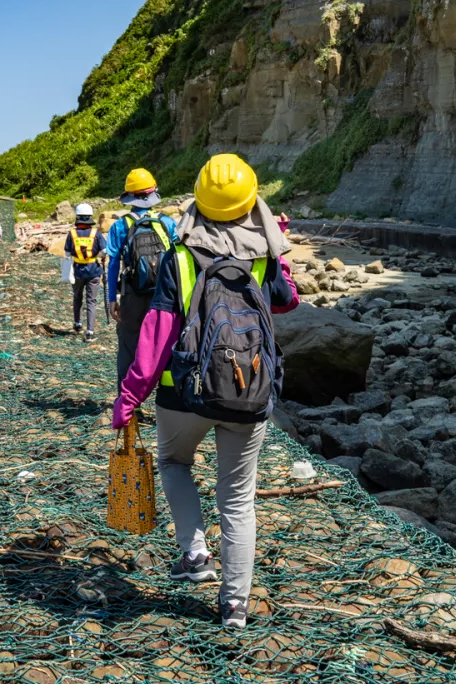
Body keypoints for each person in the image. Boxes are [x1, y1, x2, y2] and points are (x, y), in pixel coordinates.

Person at [111, 154, 300, 630]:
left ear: (199, 201)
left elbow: (155, 336)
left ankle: (195, 555)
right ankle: (234, 606)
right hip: (249, 392)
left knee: (174, 464)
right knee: (238, 499)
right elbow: (287, 301)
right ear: (250, 201)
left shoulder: (180, 256)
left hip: (183, 394)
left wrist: (129, 396)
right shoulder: (264, 253)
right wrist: (280, 252)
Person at [106, 168, 179, 388]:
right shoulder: (168, 223)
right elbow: (179, 260)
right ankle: (167, 401)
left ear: (129, 197)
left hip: (132, 296)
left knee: (129, 348)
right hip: (165, 295)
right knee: (167, 344)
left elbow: (112, 265)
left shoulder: (120, 226)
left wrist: (111, 299)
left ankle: (129, 408)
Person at [63, 203, 106, 341]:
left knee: (77, 297)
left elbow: (67, 253)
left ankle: (77, 323)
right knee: (91, 301)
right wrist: (99, 256)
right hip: (93, 271)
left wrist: (66, 271)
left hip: (77, 271)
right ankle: (90, 331)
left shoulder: (72, 233)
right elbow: (105, 252)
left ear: (78, 217)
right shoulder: (96, 233)